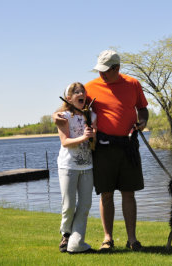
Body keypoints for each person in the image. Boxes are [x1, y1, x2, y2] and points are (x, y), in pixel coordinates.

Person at [53, 50, 149, 252]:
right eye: (99, 70)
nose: (101, 75)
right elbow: (70, 105)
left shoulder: (133, 84)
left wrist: (143, 121)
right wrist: (55, 115)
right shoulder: (90, 87)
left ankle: (132, 239)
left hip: (128, 145)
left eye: (105, 71)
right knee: (106, 194)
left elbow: (142, 108)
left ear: (117, 68)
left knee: (128, 193)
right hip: (103, 147)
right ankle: (107, 239)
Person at [56, 82, 97, 254]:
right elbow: (65, 142)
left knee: (85, 205)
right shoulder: (63, 116)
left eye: (83, 91)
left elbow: (93, 146)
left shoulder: (91, 115)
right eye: (76, 92)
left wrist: (92, 137)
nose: (82, 93)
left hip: (87, 166)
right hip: (68, 167)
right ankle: (66, 234)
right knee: (69, 205)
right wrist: (83, 137)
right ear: (69, 98)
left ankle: (76, 241)